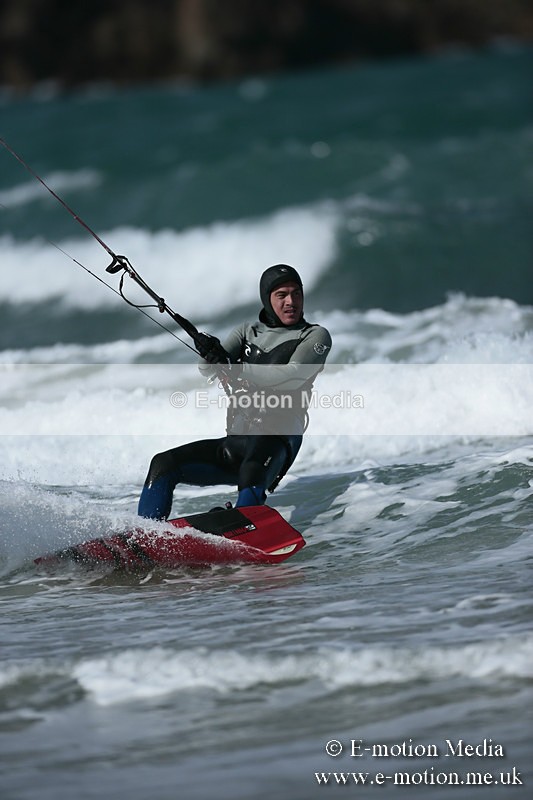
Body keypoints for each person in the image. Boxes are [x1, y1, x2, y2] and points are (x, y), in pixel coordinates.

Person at [137, 264, 332, 519]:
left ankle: (242, 525)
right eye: (281, 295)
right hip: (237, 442)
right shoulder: (246, 332)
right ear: (267, 298)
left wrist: (236, 368)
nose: (290, 301)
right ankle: (146, 537)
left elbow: (291, 376)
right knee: (163, 464)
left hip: (277, 440)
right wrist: (210, 352)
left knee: (252, 471)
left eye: (296, 293)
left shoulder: (315, 335)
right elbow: (207, 371)